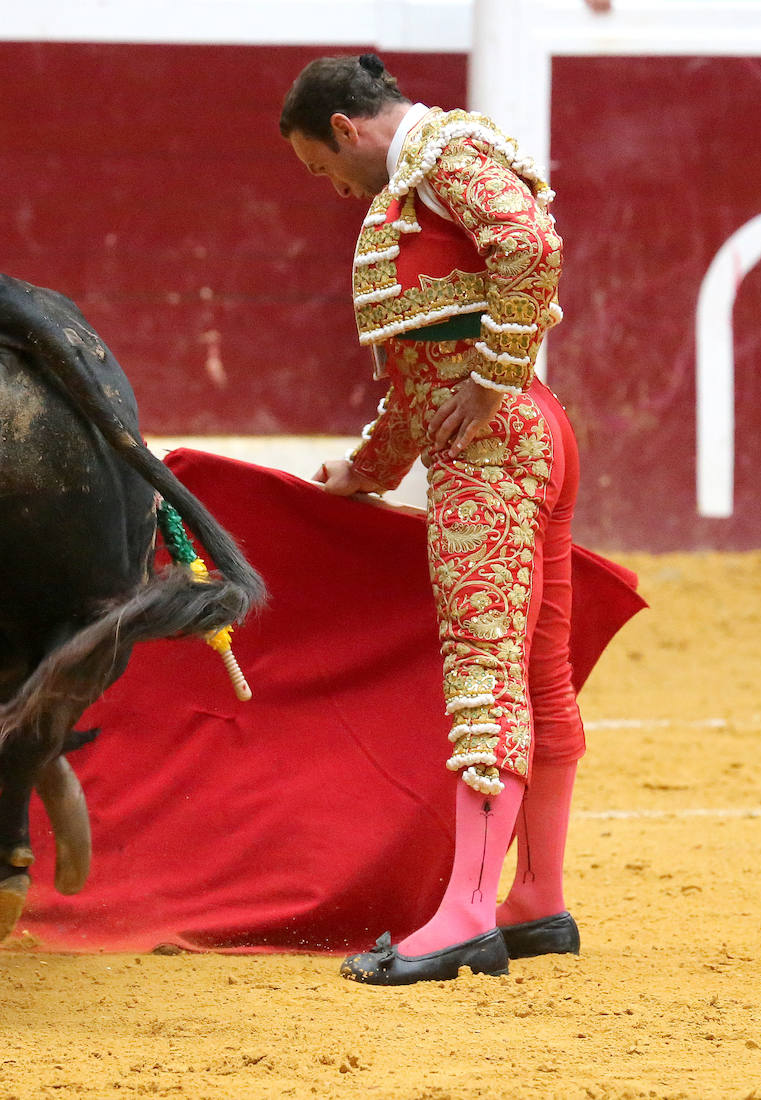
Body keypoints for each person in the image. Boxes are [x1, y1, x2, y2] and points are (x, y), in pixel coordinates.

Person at [280, 53, 585, 985]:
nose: (330, 186)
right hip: (530, 434)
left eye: (319, 165)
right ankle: (536, 898)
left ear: (345, 128)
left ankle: (466, 917)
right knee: (539, 675)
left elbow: (529, 246)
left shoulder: (441, 156)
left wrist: (491, 381)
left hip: (494, 453)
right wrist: (368, 469)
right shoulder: (428, 173)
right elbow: (423, 379)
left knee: (485, 676)